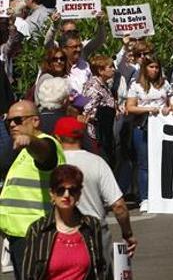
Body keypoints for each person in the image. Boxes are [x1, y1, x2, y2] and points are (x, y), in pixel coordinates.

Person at [55, 117, 137, 267]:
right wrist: (127, 234)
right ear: (82, 136)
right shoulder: (97, 162)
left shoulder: (53, 163)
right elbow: (119, 206)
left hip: (60, 234)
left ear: (57, 137)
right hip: (95, 233)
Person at [0, 100, 66, 277]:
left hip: (36, 234)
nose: (12, 124)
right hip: (18, 234)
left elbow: (45, 153)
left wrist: (30, 141)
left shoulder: (45, 143)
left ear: (35, 121)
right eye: (9, 121)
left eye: (18, 120)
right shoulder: (19, 150)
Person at [22, 164, 107, 280]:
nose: (66, 195)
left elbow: (101, 269)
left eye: (72, 191)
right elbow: (28, 275)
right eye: (60, 190)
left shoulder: (91, 225)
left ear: (79, 195)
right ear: (52, 193)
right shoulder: (38, 229)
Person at [124, 55, 172, 211]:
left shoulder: (165, 85)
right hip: (142, 127)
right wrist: (148, 109)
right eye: (151, 67)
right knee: (144, 163)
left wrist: (167, 108)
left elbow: (172, 103)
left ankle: (160, 195)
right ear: (145, 68)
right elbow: (130, 107)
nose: (155, 70)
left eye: (157, 67)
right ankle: (145, 197)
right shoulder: (136, 85)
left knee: (162, 161)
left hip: (162, 127)